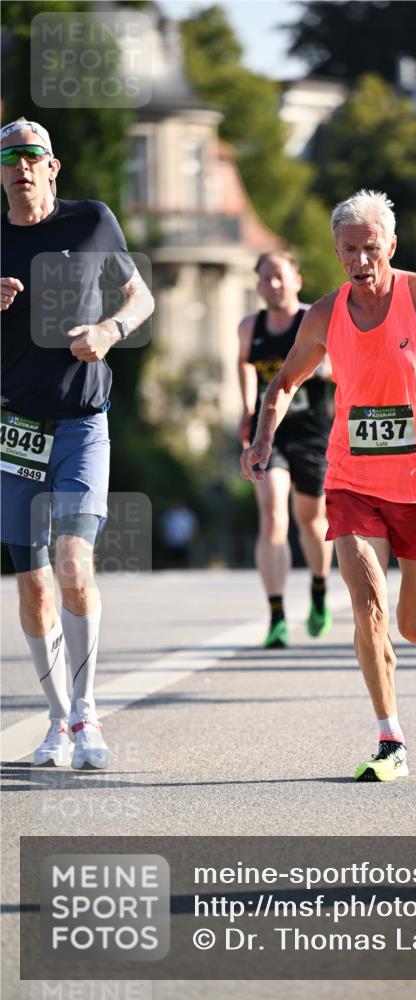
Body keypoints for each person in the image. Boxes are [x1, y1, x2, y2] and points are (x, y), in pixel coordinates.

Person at [241, 190, 416, 781]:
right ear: (336, 251)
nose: (361, 261)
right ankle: (391, 741)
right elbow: (282, 384)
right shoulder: (324, 314)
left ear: (392, 245)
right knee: (367, 609)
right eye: (349, 250)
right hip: (351, 478)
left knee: (415, 629)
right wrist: (260, 443)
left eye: (371, 248)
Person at [1, 118, 154, 767]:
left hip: (81, 424)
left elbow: (140, 294)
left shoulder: (91, 220)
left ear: (53, 167)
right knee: (32, 584)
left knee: (72, 562)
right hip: (13, 434)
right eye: (10, 157)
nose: (22, 166)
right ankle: (57, 721)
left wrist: (111, 330)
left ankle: (88, 714)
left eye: (33, 155)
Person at [238, 250, 333, 648]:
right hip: (268, 432)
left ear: (296, 279)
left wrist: (325, 368)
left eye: (279, 276)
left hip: (314, 433)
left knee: (311, 520)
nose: (272, 285)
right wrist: (247, 409)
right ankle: (276, 614)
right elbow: (244, 364)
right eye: (264, 278)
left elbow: (340, 367)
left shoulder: (313, 320)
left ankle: (318, 588)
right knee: (274, 515)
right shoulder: (250, 326)